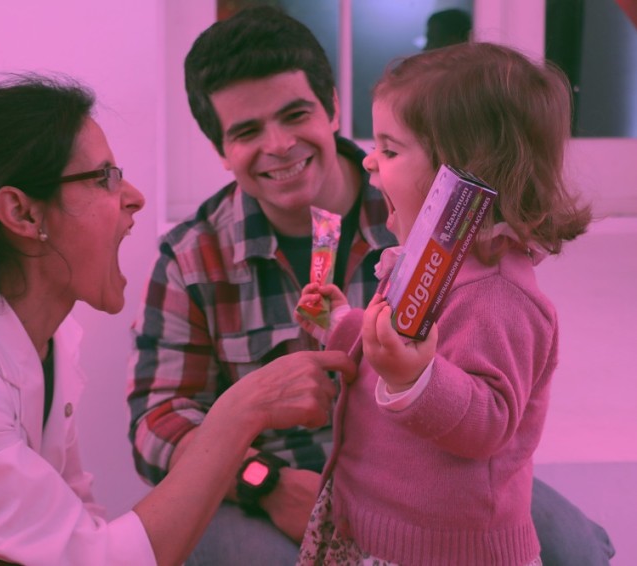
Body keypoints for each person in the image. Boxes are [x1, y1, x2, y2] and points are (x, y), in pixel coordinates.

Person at [0, 74, 353, 566]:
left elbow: (77, 525)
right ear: (22, 212)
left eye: (295, 115)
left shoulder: (43, 337)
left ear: (332, 108)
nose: (133, 197)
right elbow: (100, 557)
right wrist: (242, 413)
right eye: (104, 177)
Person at [127, 6, 615, 565]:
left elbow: (482, 400)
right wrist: (266, 482)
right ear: (220, 151)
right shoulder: (192, 257)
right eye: (247, 131)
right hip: (276, 478)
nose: (279, 144)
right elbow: (157, 423)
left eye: (295, 114)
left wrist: (416, 376)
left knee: (577, 548)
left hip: (424, 472)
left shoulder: (426, 222)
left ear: (333, 106)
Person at [295, 40, 593, 565]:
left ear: (462, 176)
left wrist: (414, 377)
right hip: (369, 524)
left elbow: (489, 419)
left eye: (390, 150)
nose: (368, 160)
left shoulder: (501, 296)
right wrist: (342, 322)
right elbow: (403, 340)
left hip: (440, 551)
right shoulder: (429, 259)